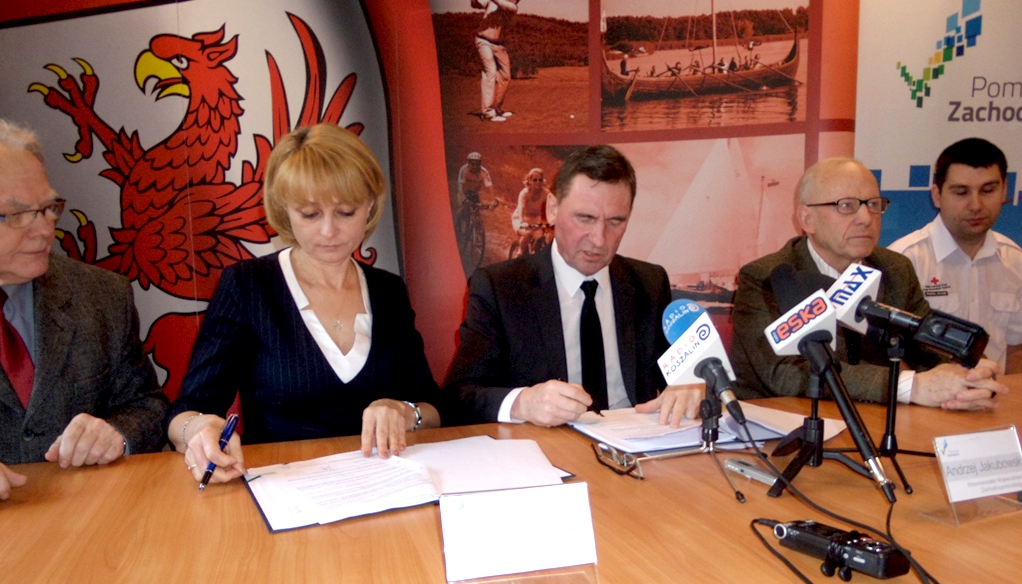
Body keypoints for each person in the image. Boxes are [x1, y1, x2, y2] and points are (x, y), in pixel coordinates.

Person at [165, 123, 441, 487]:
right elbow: (184, 412)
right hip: (283, 489)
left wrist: (405, 412)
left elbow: (434, 409)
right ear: (285, 211)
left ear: (370, 205)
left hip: (384, 486)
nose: (328, 231)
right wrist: (199, 429)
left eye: (346, 212)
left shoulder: (388, 291)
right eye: (310, 214)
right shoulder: (247, 286)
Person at [444, 145, 702, 428]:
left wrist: (692, 384)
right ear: (553, 209)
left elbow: (693, 378)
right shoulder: (500, 288)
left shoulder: (649, 283)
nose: (599, 239)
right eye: (585, 218)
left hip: (635, 441)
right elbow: (458, 397)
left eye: (615, 221)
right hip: (547, 445)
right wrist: (522, 403)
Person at [731, 157, 1006, 411]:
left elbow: (925, 344)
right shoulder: (767, 278)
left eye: (874, 205)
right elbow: (786, 373)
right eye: (846, 205)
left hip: (870, 418)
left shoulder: (894, 268)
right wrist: (911, 386)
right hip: (780, 423)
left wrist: (969, 377)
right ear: (807, 219)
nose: (865, 219)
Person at [0, 118, 167, 499]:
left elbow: (148, 406)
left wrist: (117, 434)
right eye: (15, 215)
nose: (45, 230)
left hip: (90, 518)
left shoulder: (102, 295)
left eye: (48, 208)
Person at [889, 138, 1022, 373]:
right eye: (961, 192)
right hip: (924, 394)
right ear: (937, 195)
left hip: (995, 393)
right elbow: (884, 353)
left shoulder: (1015, 260)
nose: (976, 205)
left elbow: (1016, 349)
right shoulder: (903, 261)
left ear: (1004, 190)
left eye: (988, 190)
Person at [473, 0, 519, 122]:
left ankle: (497, 108)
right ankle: (488, 112)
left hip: (499, 45)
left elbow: (501, 4)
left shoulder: (512, 7)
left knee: (505, 76)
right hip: (483, 41)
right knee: (490, 72)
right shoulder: (491, 3)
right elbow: (475, 4)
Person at [510, 168, 551, 255]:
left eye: (540, 180)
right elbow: (521, 208)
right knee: (527, 234)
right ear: (529, 181)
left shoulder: (546, 193)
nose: (538, 182)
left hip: (536, 219)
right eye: (535, 180)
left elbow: (552, 208)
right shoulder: (525, 193)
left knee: (545, 237)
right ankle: (519, 253)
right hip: (521, 217)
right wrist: (522, 222)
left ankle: (534, 252)